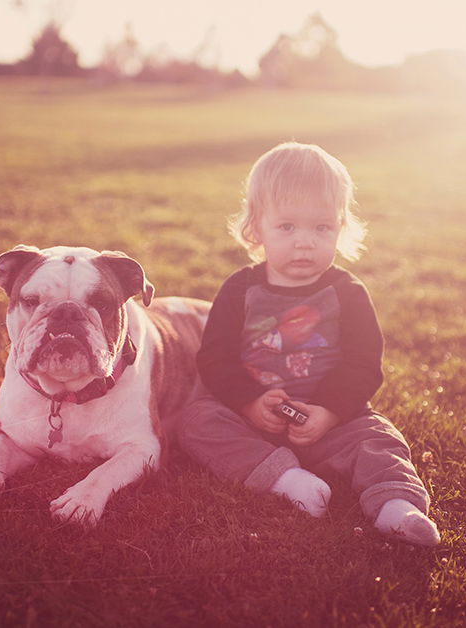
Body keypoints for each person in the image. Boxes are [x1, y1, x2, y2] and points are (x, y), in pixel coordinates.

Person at [177, 142, 440, 546]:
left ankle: (396, 507)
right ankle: (286, 479)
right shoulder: (239, 290)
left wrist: (330, 412)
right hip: (253, 421)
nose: (305, 242)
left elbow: (363, 363)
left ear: (341, 227)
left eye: (322, 228)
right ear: (256, 228)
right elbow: (215, 357)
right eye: (287, 227)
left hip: (329, 422)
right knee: (197, 421)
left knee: (379, 438)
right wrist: (249, 402)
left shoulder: (347, 292)